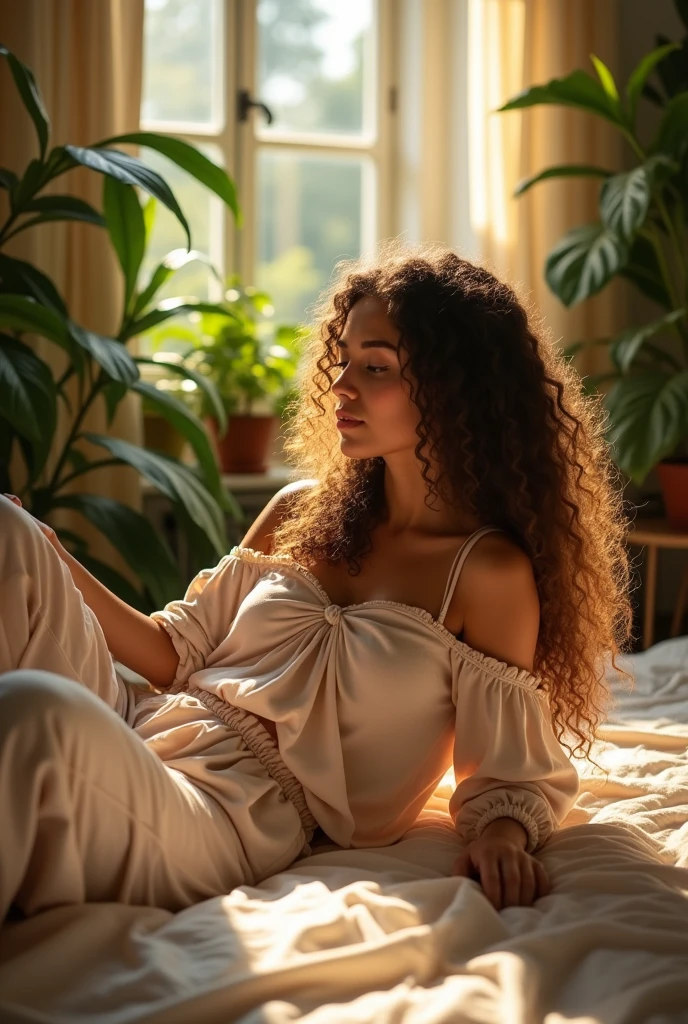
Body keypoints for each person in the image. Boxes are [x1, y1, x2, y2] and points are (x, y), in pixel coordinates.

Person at [0, 243, 634, 922]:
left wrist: (504, 834)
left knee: (35, 708)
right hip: (143, 721)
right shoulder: (300, 510)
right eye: (346, 360)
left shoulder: (485, 573)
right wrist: (52, 553)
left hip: (228, 812)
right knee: (7, 525)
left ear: (456, 389)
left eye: (376, 366)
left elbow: (507, 767)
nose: (341, 386)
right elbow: (171, 649)